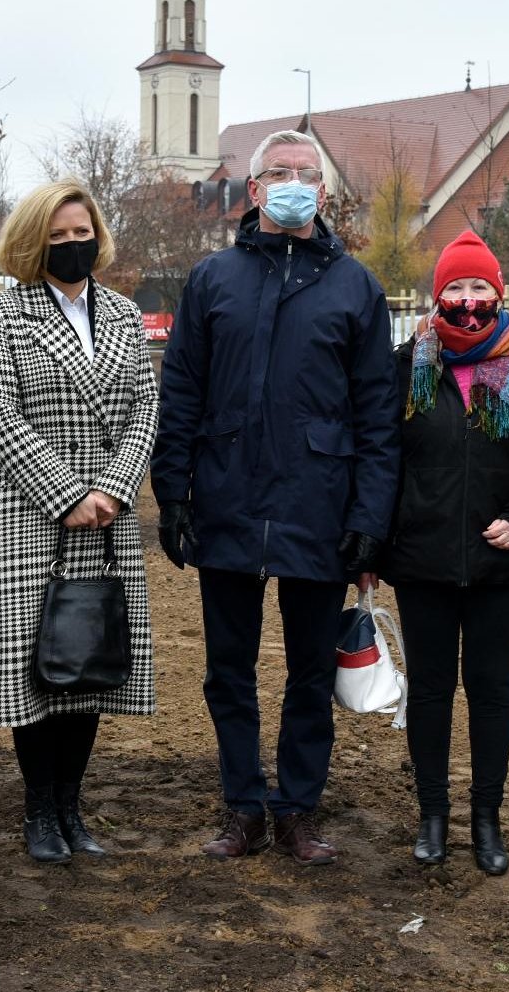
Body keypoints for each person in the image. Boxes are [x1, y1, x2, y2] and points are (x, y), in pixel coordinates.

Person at [153, 129, 400, 866]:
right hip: (226, 501)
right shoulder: (212, 281)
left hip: (317, 509)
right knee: (227, 669)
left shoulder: (356, 287)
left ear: (322, 193)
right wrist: (174, 493)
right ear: (253, 190)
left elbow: (377, 418)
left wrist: (368, 521)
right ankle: (242, 806)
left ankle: (297, 808)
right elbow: (182, 393)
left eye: (308, 173)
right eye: (279, 172)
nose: (294, 183)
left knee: (308, 671)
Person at [372, 231, 509, 875]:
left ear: (499, 292)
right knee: (431, 692)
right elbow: (383, 457)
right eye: (455, 288)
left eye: (478, 287)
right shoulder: (409, 364)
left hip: (499, 560)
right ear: (438, 297)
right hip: (422, 557)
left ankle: (486, 819)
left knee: (491, 692)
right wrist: (379, 540)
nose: (468, 300)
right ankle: (432, 814)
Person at [0, 181, 158, 864]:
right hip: (29, 517)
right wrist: (67, 494)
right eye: (59, 235)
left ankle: (74, 811)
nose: (74, 245)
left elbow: (146, 408)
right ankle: (39, 812)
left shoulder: (123, 313)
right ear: (32, 241)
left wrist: (110, 490)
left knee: (88, 668)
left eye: (83, 234)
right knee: (35, 674)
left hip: (105, 520)